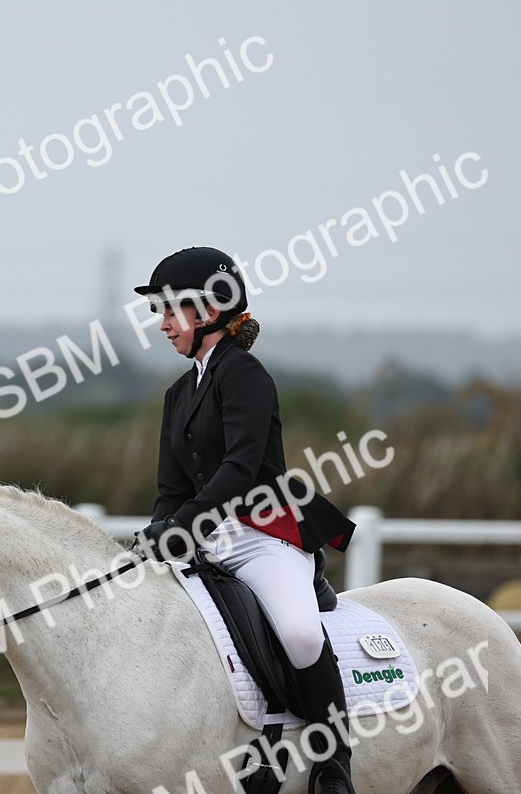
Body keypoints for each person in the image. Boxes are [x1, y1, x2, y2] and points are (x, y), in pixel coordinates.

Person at [134, 246, 357, 794]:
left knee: (302, 635)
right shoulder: (179, 393)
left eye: (169, 311)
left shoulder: (245, 375)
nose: (161, 325)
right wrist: (157, 532)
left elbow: (239, 468)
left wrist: (183, 522)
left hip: (262, 536)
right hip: (205, 541)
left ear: (209, 309)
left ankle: (333, 762)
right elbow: (171, 488)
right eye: (159, 314)